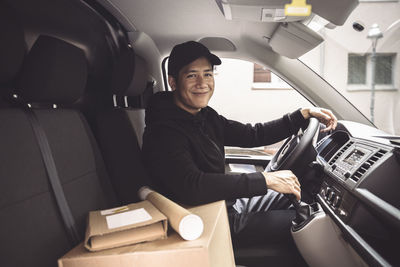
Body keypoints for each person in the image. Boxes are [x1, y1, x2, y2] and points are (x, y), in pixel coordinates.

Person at [142, 41, 337, 254]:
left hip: (224, 205)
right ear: (173, 82)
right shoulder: (163, 131)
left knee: (299, 193)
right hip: (207, 221)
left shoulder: (204, 116)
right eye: (191, 76)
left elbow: (253, 134)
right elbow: (192, 185)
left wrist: (302, 115)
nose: (202, 83)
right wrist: (266, 179)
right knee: (308, 222)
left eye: (208, 74)